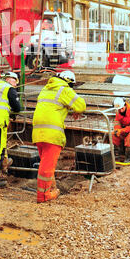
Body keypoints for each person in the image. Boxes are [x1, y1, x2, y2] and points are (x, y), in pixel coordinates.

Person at [32, 70, 86, 203]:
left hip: (38, 132)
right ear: (69, 82)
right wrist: (75, 110)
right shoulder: (64, 90)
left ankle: (51, 189)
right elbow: (81, 105)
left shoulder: (46, 89)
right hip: (52, 134)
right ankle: (43, 196)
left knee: (46, 164)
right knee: (46, 168)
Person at [112, 97, 130, 162]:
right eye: (119, 109)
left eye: (122, 108)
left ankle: (128, 157)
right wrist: (117, 130)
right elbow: (117, 123)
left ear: (125, 105)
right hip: (126, 130)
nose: (121, 111)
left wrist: (121, 130)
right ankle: (117, 155)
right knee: (114, 134)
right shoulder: (118, 112)